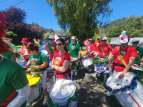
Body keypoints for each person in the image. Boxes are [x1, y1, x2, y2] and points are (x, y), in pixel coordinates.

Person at [0, 11, 30, 107]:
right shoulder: (23, 47)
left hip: (18, 65)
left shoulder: (13, 69)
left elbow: (15, 56)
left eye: (24, 43)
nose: (24, 44)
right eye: (23, 43)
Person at [106, 31, 138, 96]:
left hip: (124, 69)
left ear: (128, 40)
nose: (122, 44)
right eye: (121, 42)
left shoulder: (132, 50)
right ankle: (112, 91)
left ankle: (122, 94)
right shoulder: (116, 48)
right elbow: (111, 57)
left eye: (124, 42)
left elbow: (130, 62)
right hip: (114, 68)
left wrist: (124, 72)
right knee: (113, 81)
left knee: (123, 83)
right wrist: (108, 65)